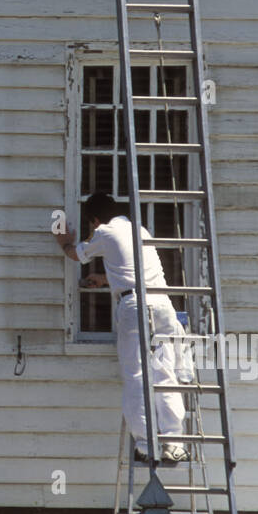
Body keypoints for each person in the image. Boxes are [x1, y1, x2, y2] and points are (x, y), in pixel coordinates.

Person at [55, 193, 189, 465]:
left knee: (136, 375)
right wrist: (106, 279)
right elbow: (134, 271)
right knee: (165, 373)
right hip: (163, 303)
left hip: (135, 306)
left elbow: (75, 255)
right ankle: (175, 442)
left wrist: (63, 242)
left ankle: (145, 444)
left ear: (94, 220)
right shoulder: (138, 229)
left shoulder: (104, 231)